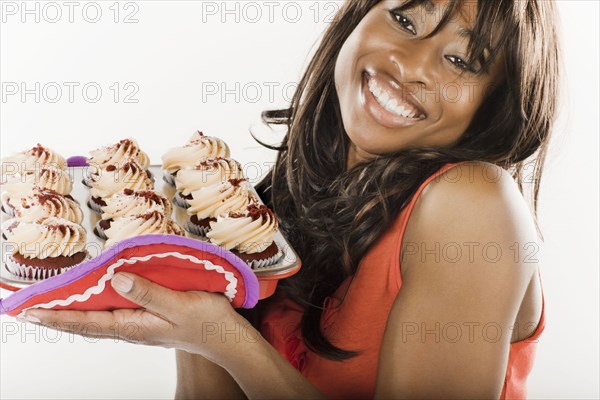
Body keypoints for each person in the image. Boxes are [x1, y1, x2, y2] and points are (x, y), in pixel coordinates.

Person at [21, 0, 560, 398]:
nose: (413, 65)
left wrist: (223, 338)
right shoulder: (295, 200)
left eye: (462, 61)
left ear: (496, 105)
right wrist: (182, 280)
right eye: (404, 20)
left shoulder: (472, 203)